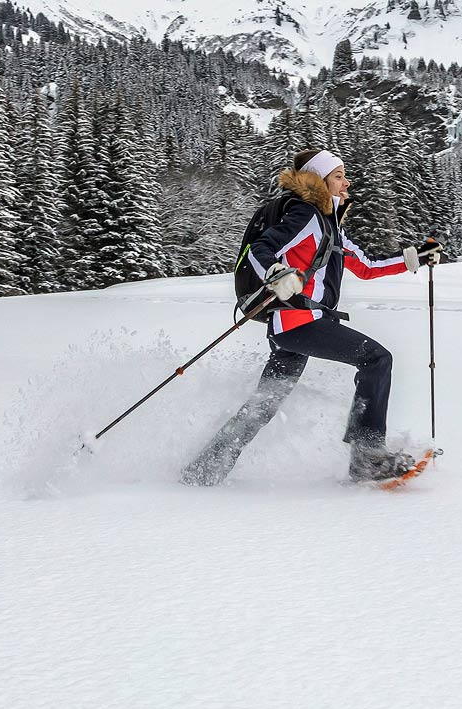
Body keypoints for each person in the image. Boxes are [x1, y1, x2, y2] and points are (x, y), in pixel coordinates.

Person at [181, 148, 442, 486]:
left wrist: (416, 257)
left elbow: (366, 267)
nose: (346, 183)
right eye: (338, 176)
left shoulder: (331, 228)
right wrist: (276, 274)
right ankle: (367, 457)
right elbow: (259, 249)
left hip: (296, 326)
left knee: (265, 404)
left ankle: (202, 471)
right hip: (297, 321)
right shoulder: (306, 216)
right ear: (319, 180)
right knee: (377, 359)